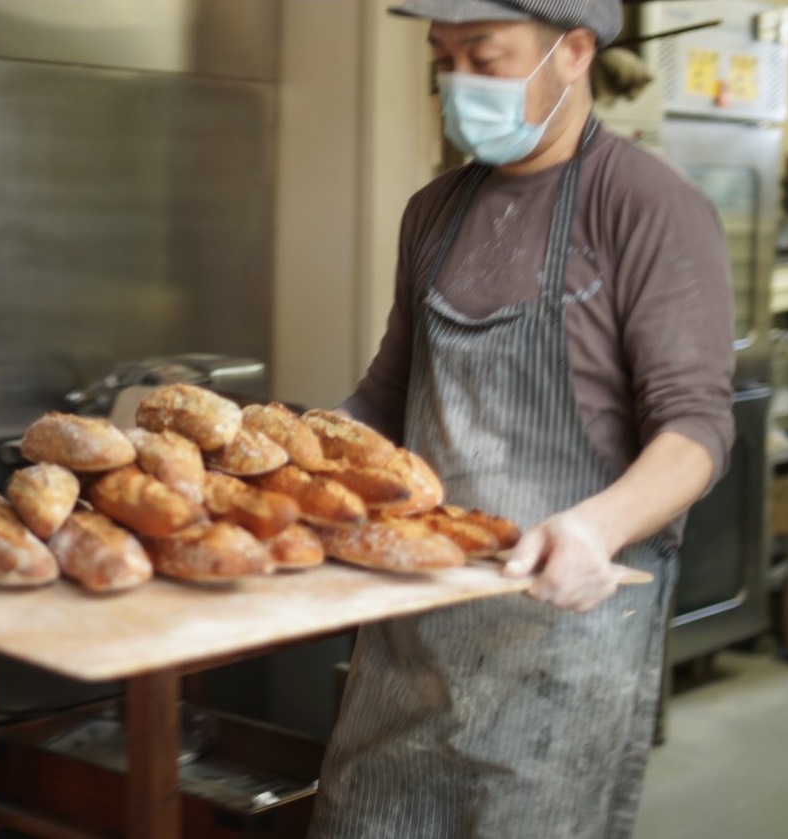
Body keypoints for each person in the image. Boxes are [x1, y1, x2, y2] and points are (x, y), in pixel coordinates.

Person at [306, 1, 735, 837]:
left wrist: (594, 527)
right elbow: (387, 400)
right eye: (443, 58)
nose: (457, 81)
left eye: (484, 56)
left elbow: (696, 429)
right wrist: (291, 455)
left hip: (562, 635)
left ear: (573, 52)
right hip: (414, 632)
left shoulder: (647, 206)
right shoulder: (434, 212)